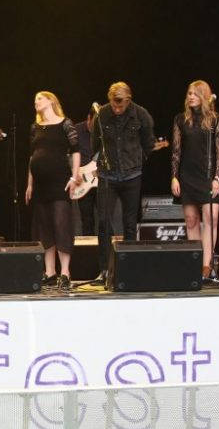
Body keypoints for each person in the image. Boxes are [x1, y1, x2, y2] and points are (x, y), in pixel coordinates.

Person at [91, 82, 157, 277]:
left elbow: (148, 143)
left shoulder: (141, 114)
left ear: (128, 100)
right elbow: (95, 142)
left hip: (132, 175)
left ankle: (128, 267)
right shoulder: (101, 114)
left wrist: (137, 160)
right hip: (107, 176)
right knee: (103, 221)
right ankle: (104, 268)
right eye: (114, 105)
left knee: (129, 222)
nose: (117, 109)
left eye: (120, 105)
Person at [25, 91, 81, 290]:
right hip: (40, 184)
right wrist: (29, 184)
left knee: (61, 223)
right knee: (44, 226)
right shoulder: (35, 127)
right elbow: (33, 157)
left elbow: (76, 150)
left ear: (51, 100)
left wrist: (74, 177)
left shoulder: (65, 123)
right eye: (34, 100)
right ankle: (50, 272)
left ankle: (65, 272)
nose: (36, 102)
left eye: (39, 98)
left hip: (60, 181)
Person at [169, 80, 219, 279]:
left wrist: (217, 177)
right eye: (189, 93)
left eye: (195, 93)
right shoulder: (180, 119)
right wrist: (174, 177)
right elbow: (176, 151)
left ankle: (207, 265)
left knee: (211, 217)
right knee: (192, 221)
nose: (190, 96)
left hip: (208, 176)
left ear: (203, 96)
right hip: (187, 176)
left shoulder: (215, 119)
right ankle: (195, 262)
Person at [73, 105, 99, 236]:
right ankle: (88, 253)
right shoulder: (76, 130)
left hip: (101, 181)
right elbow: (67, 154)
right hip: (82, 181)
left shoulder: (104, 133)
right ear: (88, 118)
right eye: (94, 124)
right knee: (87, 219)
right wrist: (74, 173)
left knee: (105, 219)